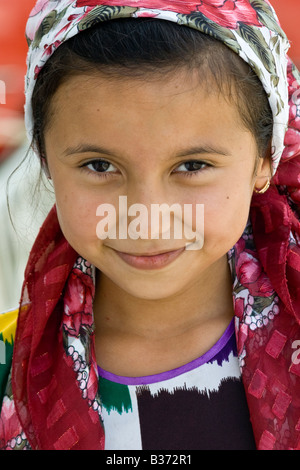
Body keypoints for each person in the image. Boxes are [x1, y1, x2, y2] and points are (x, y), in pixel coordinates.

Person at [0, 0, 300, 451]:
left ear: (263, 161)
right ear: (45, 158)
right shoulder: (9, 365)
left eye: (192, 165)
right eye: (100, 165)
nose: (147, 215)